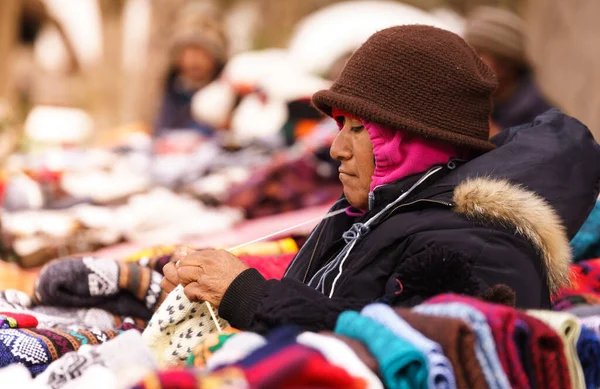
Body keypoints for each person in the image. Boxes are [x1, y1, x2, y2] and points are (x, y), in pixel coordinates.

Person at [161, 25, 600, 333]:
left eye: (358, 129)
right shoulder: (382, 210)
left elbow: (407, 354)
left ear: (413, 140)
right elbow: (330, 300)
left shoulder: (480, 248)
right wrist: (209, 288)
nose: (336, 149)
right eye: (340, 127)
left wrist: (246, 294)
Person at [464, 6, 552, 131]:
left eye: (478, 53)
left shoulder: (543, 121)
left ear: (505, 64)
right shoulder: (471, 96)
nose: (468, 60)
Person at [153, 3, 228, 137]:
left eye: (201, 52)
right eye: (187, 52)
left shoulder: (230, 90)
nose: (194, 61)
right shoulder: (173, 88)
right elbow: (161, 131)